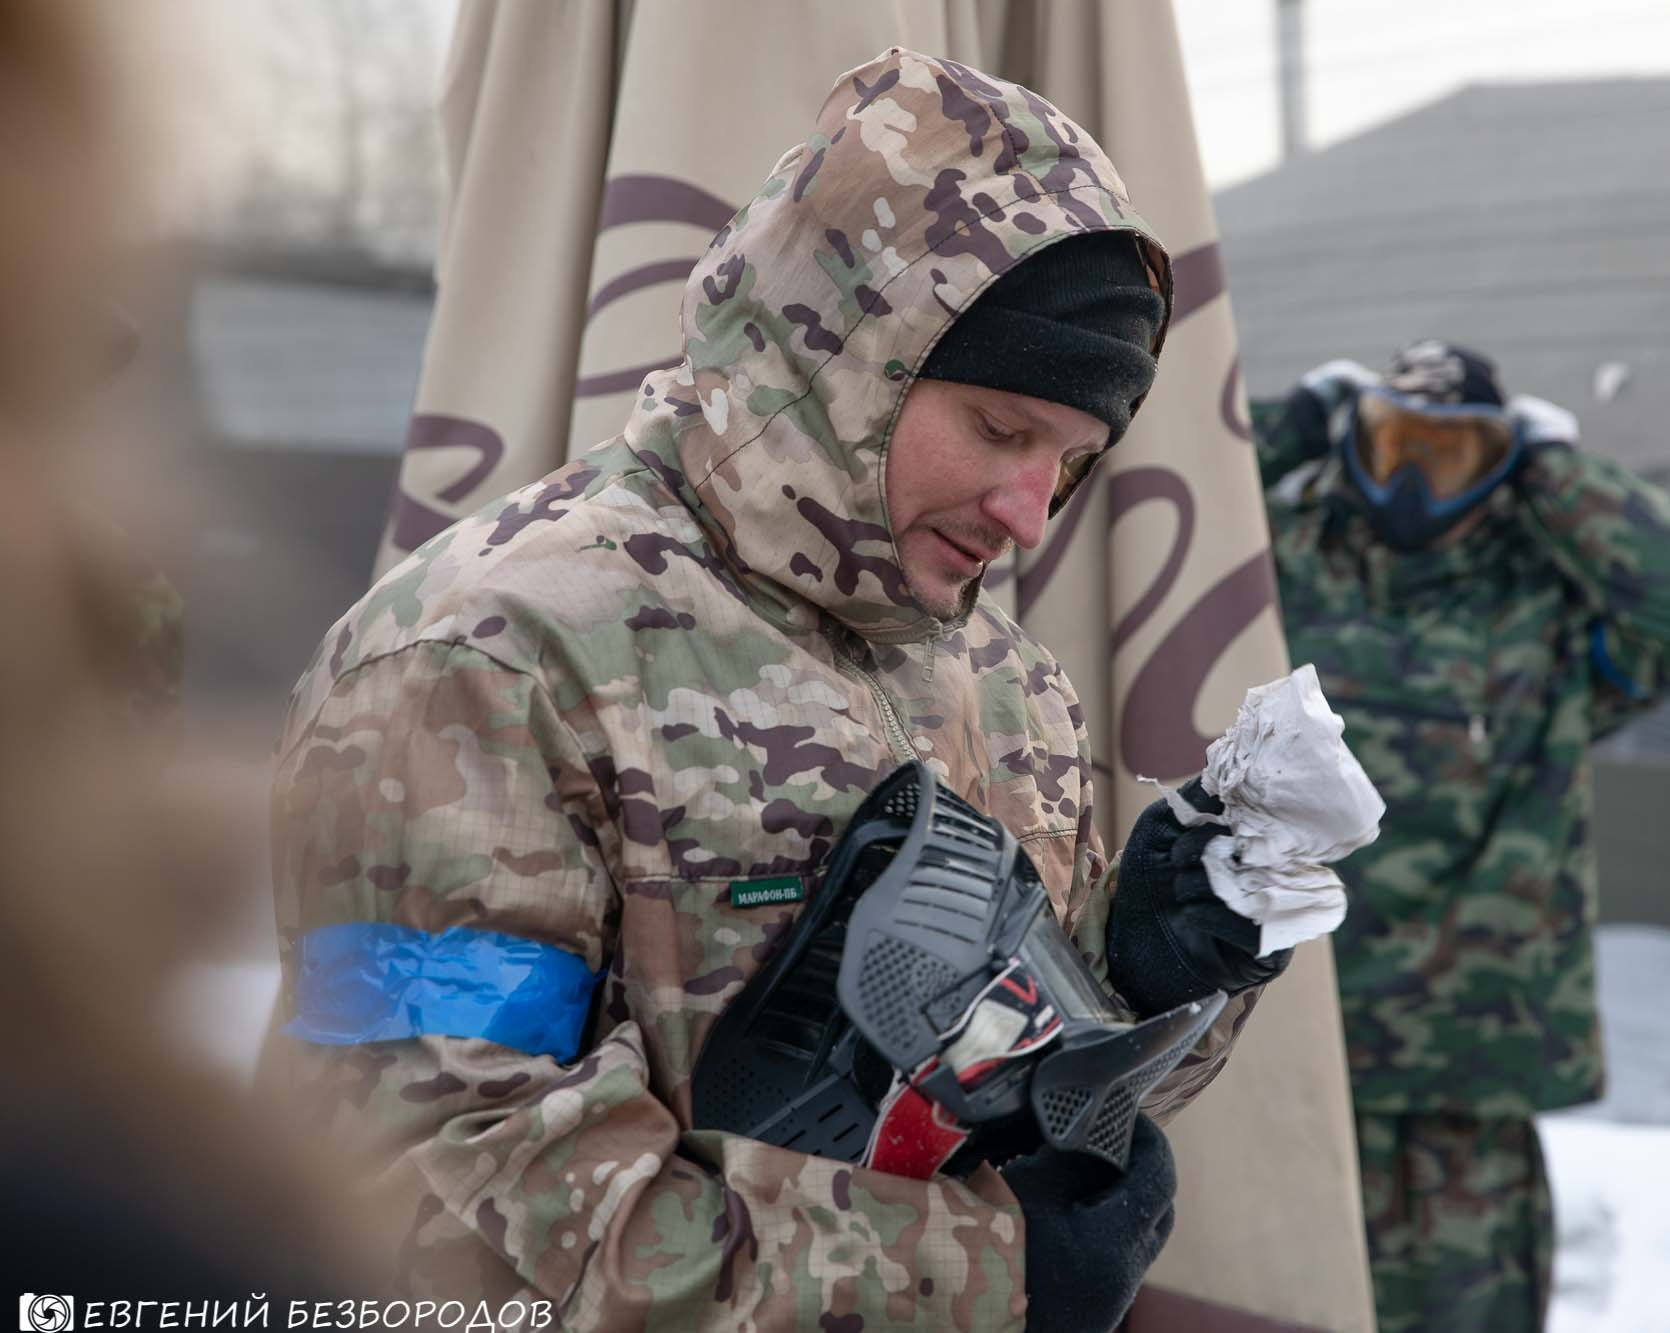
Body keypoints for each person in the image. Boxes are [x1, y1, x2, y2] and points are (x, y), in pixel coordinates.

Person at [266, 48, 1286, 1333]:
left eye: (1073, 458)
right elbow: (430, 1193)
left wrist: (1145, 985)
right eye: (998, 428)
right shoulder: (484, 657)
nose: (1030, 515)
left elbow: (991, 1100)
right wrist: (979, 1280)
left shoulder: (1004, 682)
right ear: (849, 352)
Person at [1255, 340, 1670, 1332]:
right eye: (1389, 443)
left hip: (1462, 1075)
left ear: (1499, 462)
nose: (1407, 482)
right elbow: (1129, 509)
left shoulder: (1543, 607)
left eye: (1445, 455)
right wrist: (1293, 424)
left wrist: (1556, 473)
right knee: (1257, 1301)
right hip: (1269, 1044)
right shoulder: (1280, 558)